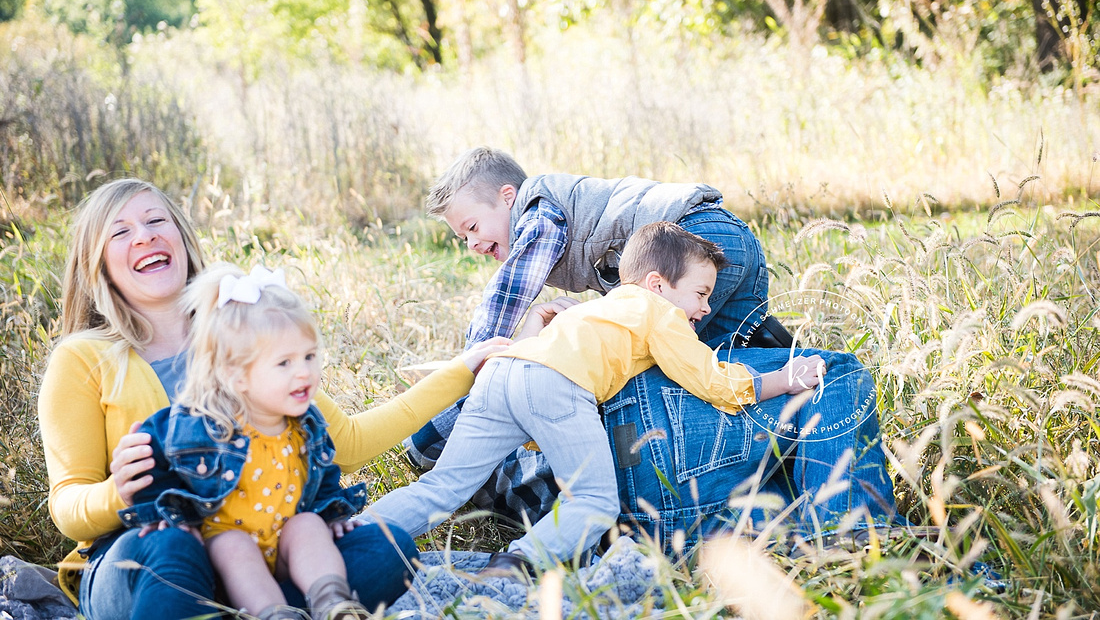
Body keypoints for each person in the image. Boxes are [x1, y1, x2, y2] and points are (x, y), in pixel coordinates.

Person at [37, 178, 505, 620]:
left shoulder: (245, 330)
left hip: (264, 551)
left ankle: (266, 608)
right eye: (121, 232)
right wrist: (116, 493)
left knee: (386, 548)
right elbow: (68, 508)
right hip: (146, 552)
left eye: (156, 221)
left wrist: (462, 371)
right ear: (97, 262)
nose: (144, 237)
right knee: (171, 551)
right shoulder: (83, 359)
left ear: (181, 237)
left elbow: (351, 443)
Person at [366, 223, 823, 574]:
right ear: (658, 285)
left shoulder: (602, 306)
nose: (705, 308)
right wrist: (782, 380)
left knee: (442, 487)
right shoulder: (658, 312)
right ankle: (515, 567)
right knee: (594, 500)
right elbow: (708, 378)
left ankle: (353, 536)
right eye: (701, 294)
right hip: (556, 384)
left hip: (503, 372)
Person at [406, 147, 794, 523]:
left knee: (667, 367)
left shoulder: (537, 211)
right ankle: (790, 422)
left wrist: (471, 363)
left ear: (508, 198)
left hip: (686, 246)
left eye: (473, 227)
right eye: (463, 239)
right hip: (726, 238)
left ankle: (654, 478)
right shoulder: (551, 211)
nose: (473, 245)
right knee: (722, 357)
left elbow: (508, 294)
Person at [117, 264, 372, 620]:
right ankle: (274, 613)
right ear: (237, 375)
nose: (304, 372)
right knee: (232, 545)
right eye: (284, 362)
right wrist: (161, 513)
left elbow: (324, 473)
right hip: (224, 554)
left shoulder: (307, 423)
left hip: (286, 548)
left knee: (309, 525)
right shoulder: (200, 423)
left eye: (309, 356)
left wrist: (332, 513)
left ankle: (333, 602)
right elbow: (151, 453)